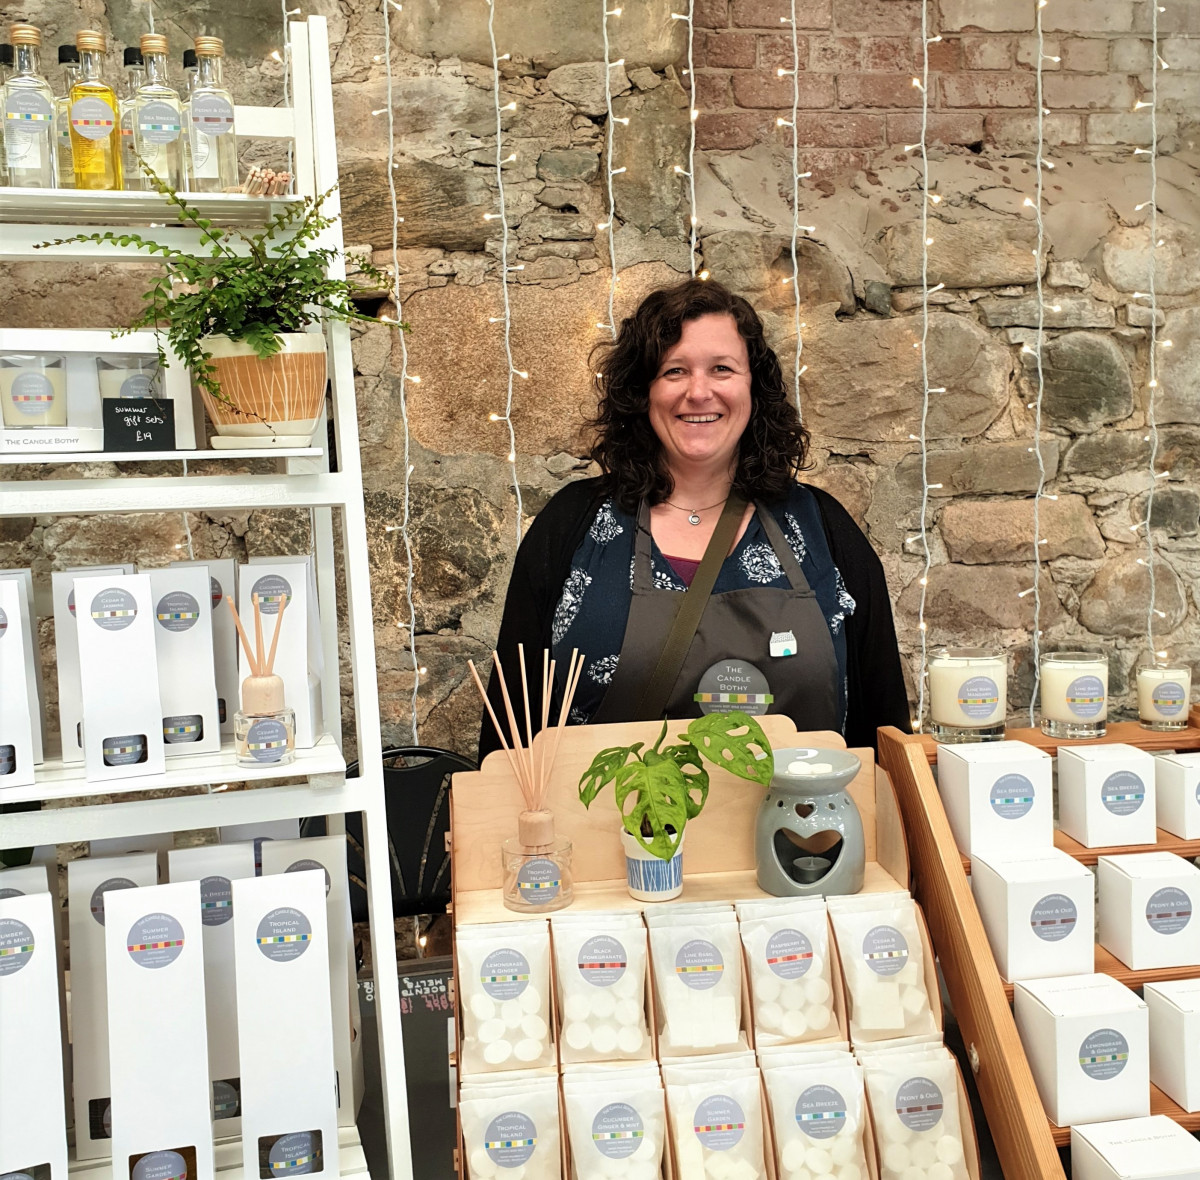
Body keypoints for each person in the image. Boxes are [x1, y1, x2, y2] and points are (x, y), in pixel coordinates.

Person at [479, 279, 909, 759]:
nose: (698, 392)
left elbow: (885, 732)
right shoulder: (573, 526)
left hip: (794, 831)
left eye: (722, 369)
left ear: (754, 389)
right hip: (610, 833)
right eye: (674, 371)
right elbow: (509, 732)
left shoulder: (822, 528)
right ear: (643, 392)